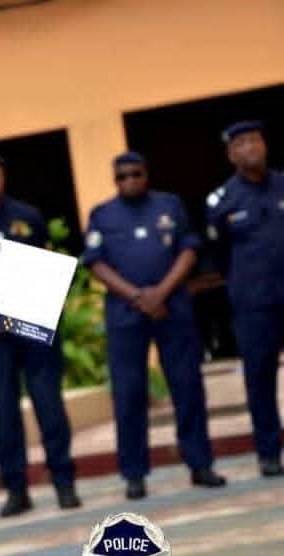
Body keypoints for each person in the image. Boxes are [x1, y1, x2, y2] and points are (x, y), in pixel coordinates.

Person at [82, 152, 227, 498]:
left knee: (187, 386)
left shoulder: (170, 205)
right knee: (129, 394)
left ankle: (200, 464)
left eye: (136, 174)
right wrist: (138, 297)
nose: (130, 181)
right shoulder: (102, 214)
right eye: (122, 176)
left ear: (146, 174)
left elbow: (188, 250)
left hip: (172, 308)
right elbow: (96, 263)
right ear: (115, 180)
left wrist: (160, 293)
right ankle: (134, 474)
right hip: (125, 314)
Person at [0, 149, 80, 515]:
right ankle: (16, 490)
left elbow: (45, 260)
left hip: (33, 328)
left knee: (49, 404)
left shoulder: (28, 216)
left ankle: (64, 482)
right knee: (3, 412)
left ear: (3, 177)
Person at [206, 121, 284, 477]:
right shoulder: (221, 201)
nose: (250, 147)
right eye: (241, 143)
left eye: (255, 139)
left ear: (265, 144)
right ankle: (269, 453)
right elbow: (219, 256)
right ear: (231, 154)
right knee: (260, 378)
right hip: (254, 304)